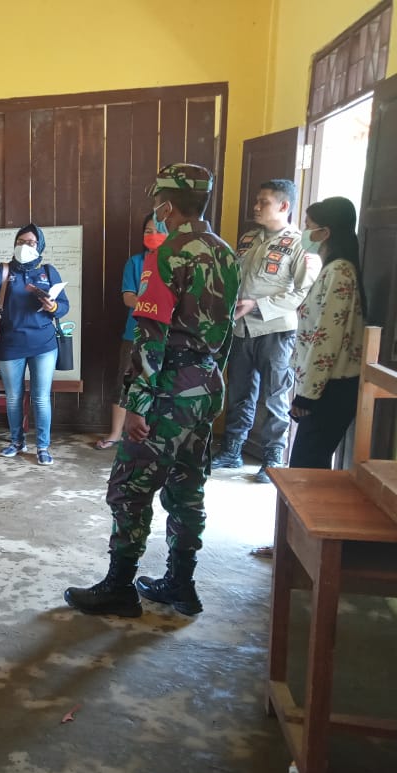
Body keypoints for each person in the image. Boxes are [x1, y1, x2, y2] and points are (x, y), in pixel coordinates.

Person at [64, 163, 239, 617]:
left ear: (167, 204)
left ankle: (120, 587)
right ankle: (181, 585)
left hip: (166, 391)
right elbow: (225, 333)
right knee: (188, 487)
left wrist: (137, 405)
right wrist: (209, 382)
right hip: (205, 388)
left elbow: (150, 335)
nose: (156, 210)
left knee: (131, 489)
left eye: (158, 202)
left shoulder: (166, 255)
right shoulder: (225, 254)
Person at [211, 179, 320, 482]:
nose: (256, 207)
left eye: (264, 202)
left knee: (275, 396)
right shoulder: (248, 239)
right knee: (239, 392)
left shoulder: (300, 244)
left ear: (284, 206)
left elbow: (302, 293)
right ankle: (232, 449)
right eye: (257, 200)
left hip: (276, 330)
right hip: (241, 329)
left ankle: (273, 459)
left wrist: (257, 305)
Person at [0, 224, 70, 466]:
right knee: (13, 398)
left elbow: (64, 306)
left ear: (40, 245)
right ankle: (16, 442)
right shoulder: (3, 271)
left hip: (44, 345)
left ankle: (43, 447)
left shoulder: (48, 271)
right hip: (10, 345)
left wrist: (53, 306)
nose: (25, 246)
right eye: (20, 242)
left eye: (31, 242)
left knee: (40, 398)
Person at [288, 196, 367, 469]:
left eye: (308, 226)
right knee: (308, 465)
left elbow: (326, 339)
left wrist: (307, 395)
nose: (304, 233)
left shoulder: (339, 271)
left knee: (305, 469)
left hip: (330, 388)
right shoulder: (333, 269)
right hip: (324, 385)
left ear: (325, 232)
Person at [94, 213, 163, 451]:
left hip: (166, 336)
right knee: (124, 383)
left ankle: (153, 438)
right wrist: (154, 307)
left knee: (160, 387)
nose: (152, 235)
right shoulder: (135, 262)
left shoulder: (177, 263)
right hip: (134, 333)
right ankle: (115, 434)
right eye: (148, 231)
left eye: (158, 230)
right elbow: (128, 297)